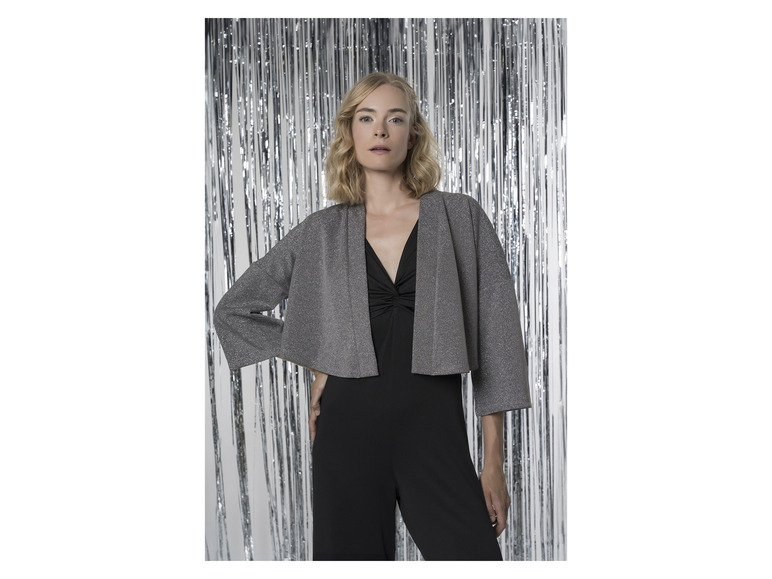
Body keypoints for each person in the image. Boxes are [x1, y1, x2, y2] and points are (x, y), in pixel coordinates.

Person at [214, 72, 531, 561]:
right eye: (366, 118)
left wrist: (493, 462)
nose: (380, 130)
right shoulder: (321, 232)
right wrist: (322, 357)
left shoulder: (460, 217)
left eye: (394, 119)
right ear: (351, 131)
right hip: (346, 435)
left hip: (435, 434)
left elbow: (499, 340)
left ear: (413, 134)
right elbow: (233, 310)